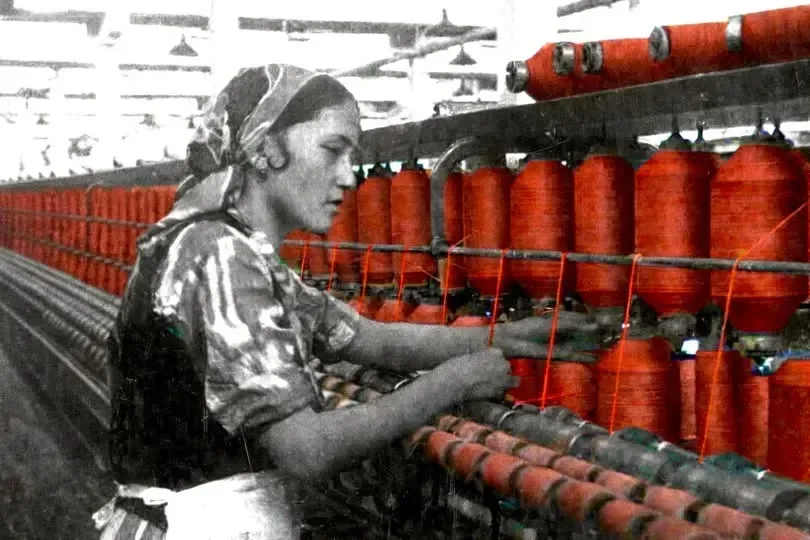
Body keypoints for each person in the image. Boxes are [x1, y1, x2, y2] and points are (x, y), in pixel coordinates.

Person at [93, 64, 597, 539]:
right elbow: (309, 450)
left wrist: (507, 335)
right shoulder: (219, 254)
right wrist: (453, 383)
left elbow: (366, 337)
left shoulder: (230, 248)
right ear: (266, 149)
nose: (349, 176)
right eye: (333, 150)